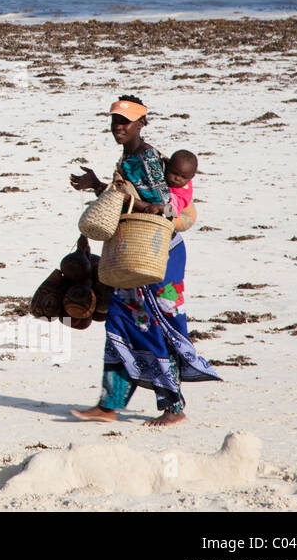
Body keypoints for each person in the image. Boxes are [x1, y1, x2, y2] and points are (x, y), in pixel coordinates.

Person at [68, 95, 218, 426]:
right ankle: (109, 404)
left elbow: (162, 208)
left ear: (141, 123)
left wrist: (110, 193)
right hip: (137, 251)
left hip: (158, 254)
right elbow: (129, 199)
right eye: (115, 121)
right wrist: (98, 187)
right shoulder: (131, 155)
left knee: (155, 325)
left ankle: (173, 406)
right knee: (120, 321)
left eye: (125, 122)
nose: (118, 127)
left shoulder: (146, 158)